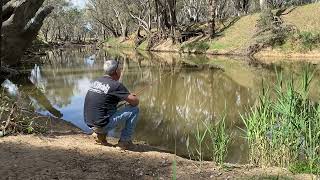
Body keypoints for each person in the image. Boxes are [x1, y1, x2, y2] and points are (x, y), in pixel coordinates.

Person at [84, 60, 140, 149]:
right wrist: (133, 98)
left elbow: (106, 99)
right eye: (120, 69)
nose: (121, 71)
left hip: (90, 123)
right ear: (116, 72)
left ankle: (99, 135)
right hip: (101, 124)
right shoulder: (116, 85)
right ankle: (124, 142)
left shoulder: (97, 81)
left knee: (111, 107)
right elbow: (135, 102)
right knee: (134, 109)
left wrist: (127, 98)